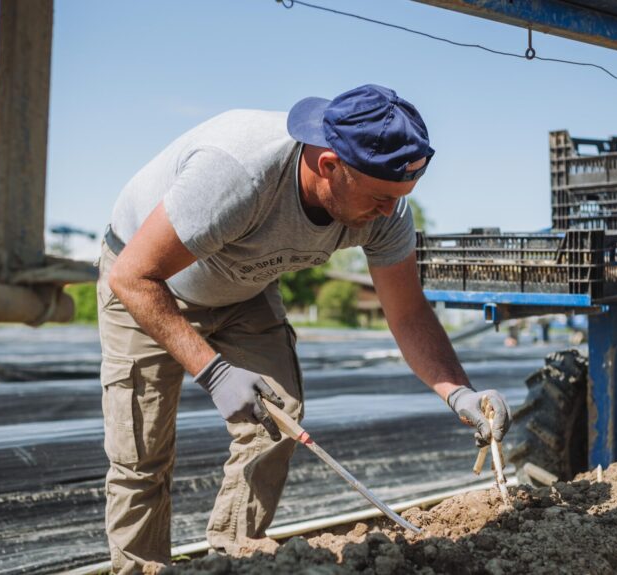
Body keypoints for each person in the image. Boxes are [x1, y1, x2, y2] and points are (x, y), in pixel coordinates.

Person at [96, 84, 512, 573]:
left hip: (243, 289)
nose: (388, 212)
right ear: (329, 164)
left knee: (276, 420)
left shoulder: (387, 208)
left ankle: (233, 561)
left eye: (399, 197)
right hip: (146, 283)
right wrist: (213, 372)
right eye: (379, 197)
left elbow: (407, 313)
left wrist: (458, 392)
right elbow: (132, 275)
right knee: (141, 456)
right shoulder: (238, 172)